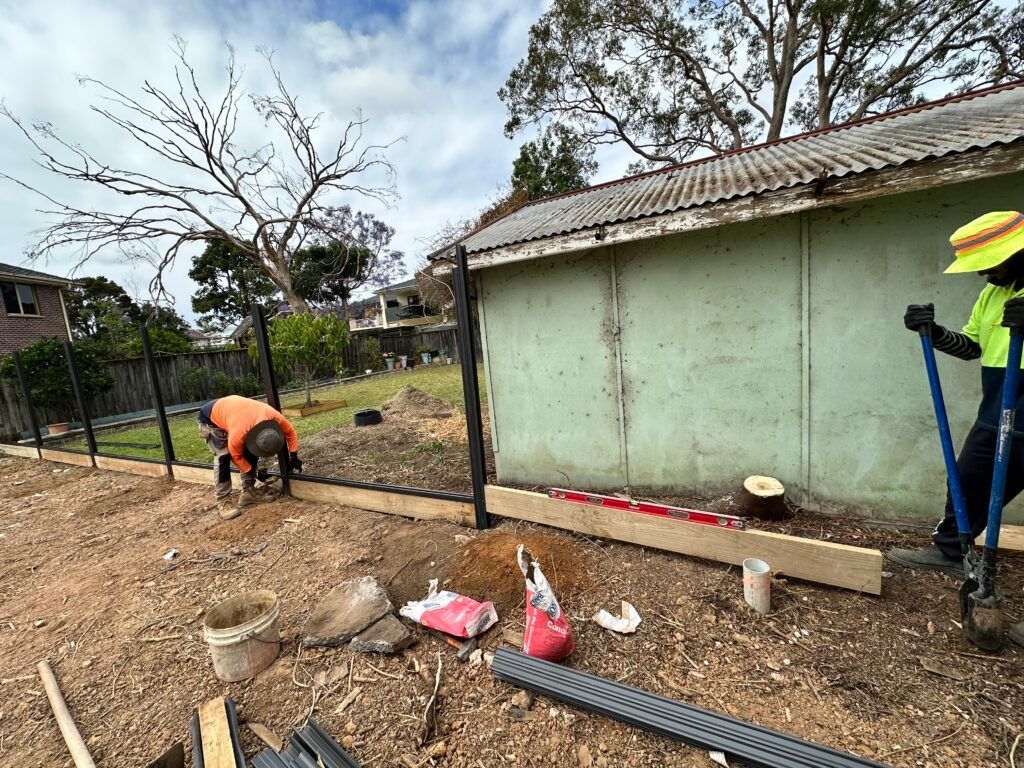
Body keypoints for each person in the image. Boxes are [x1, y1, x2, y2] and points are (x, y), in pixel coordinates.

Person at [888, 211, 1024, 582]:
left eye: (990, 264)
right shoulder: (993, 293)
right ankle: (950, 550)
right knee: (966, 477)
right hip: (998, 408)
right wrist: (932, 332)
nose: (984, 273)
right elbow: (972, 347)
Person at [197, 394, 303, 518]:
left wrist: (294, 456)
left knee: (251, 450)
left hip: (235, 412)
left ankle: (248, 492)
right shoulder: (239, 432)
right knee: (223, 457)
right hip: (211, 418)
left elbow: (290, 432)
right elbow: (236, 457)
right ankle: (223, 500)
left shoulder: (275, 417)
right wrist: (254, 472)